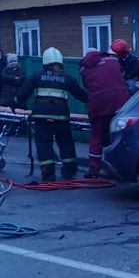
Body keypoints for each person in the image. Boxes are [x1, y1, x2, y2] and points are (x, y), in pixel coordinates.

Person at [15, 47, 87, 181]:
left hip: (41, 115)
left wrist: (14, 104)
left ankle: (48, 174)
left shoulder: (36, 76)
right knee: (65, 142)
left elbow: (22, 94)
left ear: (45, 61)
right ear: (60, 61)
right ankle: (69, 171)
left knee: (44, 144)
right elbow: (81, 95)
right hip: (61, 116)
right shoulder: (68, 78)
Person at [79, 48, 130, 177]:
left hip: (98, 106)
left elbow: (87, 86)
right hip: (120, 104)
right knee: (120, 136)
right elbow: (122, 76)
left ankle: (93, 169)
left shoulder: (84, 69)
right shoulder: (113, 61)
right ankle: (123, 168)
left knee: (97, 138)